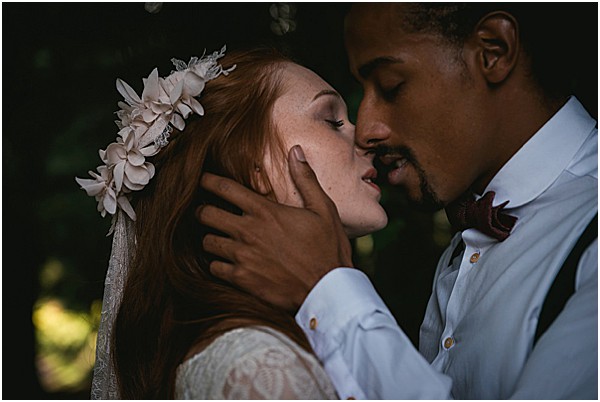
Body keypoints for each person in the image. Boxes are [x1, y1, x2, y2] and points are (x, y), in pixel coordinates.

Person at [196, 3, 598, 399]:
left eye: (391, 85)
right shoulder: (466, 242)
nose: (366, 130)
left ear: (493, 51)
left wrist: (328, 288)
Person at [76, 46, 388, 399]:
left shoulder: (260, 349)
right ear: (253, 169)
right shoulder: (261, 370)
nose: (365, 137)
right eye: (331, 121)